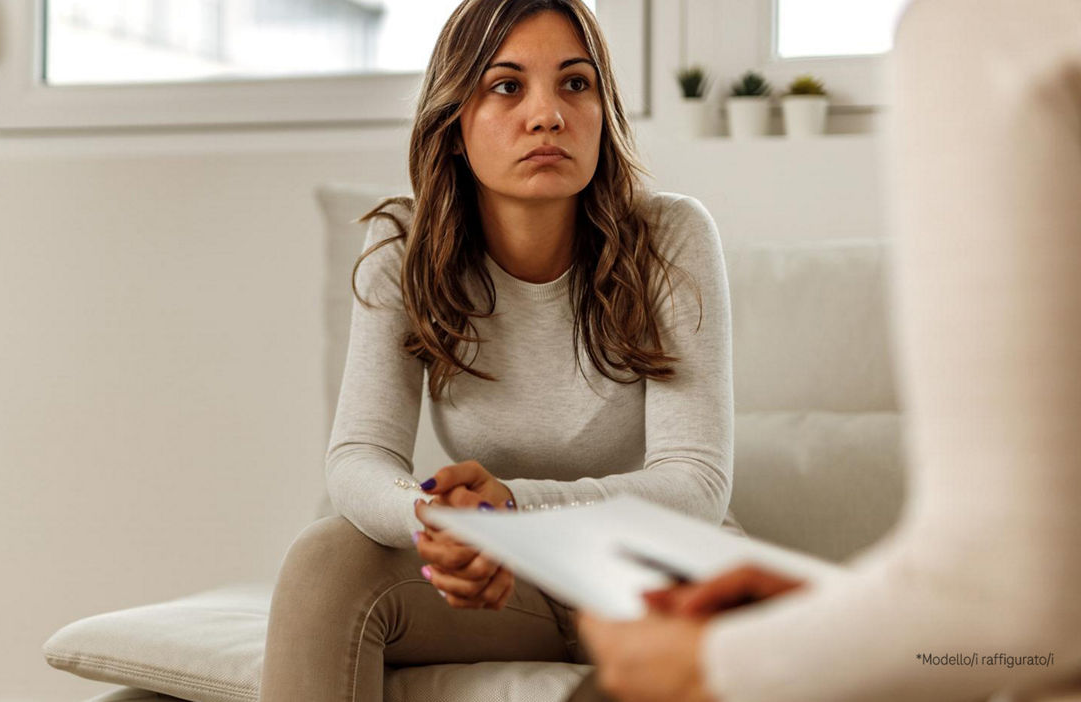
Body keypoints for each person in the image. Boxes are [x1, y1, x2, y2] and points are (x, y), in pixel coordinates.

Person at [570, 1, 1081, 701]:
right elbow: (1043, 610)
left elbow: (1004, 594)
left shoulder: (984, 28)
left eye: (577, 83)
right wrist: (842, 609)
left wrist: (715, 666)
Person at [258, 1, 743, 699]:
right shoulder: (404, 246)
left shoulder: (671, 237)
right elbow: (359, 455)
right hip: (501, 575)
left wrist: (512, 509)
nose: (547, 115)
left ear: (604, 112)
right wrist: (431, 517)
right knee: (326, 558)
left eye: (575, 84)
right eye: (507, 86)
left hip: (647, 576)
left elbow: (694, 482)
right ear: (454, 120)